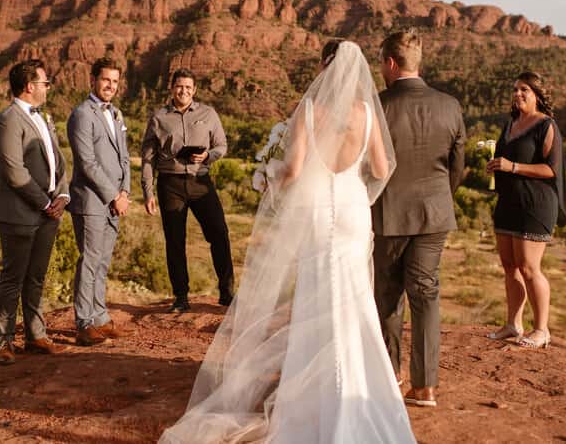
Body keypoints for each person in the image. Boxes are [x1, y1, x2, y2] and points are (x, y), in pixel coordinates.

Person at [159, 40, 415, 444]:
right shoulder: (367, 113)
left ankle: (312, 400)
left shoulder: (309, 110)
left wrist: (269, 177)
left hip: (318, 210)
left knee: (316, 296)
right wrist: (356, 181)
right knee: (354, 298)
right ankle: (362, 392)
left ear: (324, 68)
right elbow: (382, 169)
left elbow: (293, 169)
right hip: (352, 210)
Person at [372, 29, 466, 408]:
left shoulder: (377, 106)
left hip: (389, 214)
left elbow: (367, 166)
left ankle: (389, 375)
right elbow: (457, 167)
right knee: (425, 294)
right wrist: (439, 199)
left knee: (388, 296)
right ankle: (426, 387)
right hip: (435, 213)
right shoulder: (450, 105)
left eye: (381, 63)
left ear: (391, 63)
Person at [0, 59, 69, 365]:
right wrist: (45, 204)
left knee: (36, 277)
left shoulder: (44, 118)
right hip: (20, 213)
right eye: (45, 83)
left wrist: (62, 194)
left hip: (49, 211)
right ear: (30, 86)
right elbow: (14, 172)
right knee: (13, 278)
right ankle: (4, 341)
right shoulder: (8, 120)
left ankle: (36, 336)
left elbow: (58, 160)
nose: (48, 88)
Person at [485, 71, 566, 349]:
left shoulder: (547, 125)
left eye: (524, 90)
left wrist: (513, 167)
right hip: (508, 202)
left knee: (530, 268)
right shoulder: (511, 123)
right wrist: (496, 165)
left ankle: (542, 330)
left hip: (535, 205)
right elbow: (505, 159)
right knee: (510, 266)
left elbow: (552, 170)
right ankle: (513, 324)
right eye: (515, 89)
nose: (518, 94)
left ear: (537, 95)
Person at [141, 69, 234, 312]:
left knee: (219, 233)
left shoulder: (208, 114)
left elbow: (221, 145)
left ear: (195, 90)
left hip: (200, 181)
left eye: (188, 87)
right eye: (179, 86)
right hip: (170, 184)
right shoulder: (158, 118)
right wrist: (148, 192)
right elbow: (148, 158)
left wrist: (207, 156)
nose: (184, 91)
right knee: (175, 241)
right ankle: (181, 297)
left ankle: (227, 293)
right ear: (172, 88)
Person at [67, 57, 131, 347]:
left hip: (115, 202)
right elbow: (87, 162)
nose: (110, 86)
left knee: (103, 262)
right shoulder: (82, 114)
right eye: (106, 80)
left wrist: (125, 192)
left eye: (115, 81)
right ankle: (84, 323)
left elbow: (124, 157)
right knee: (90, 261)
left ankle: (100, 318)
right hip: (91, 201)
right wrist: (113, 195)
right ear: (92, 80)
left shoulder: (116, 114)